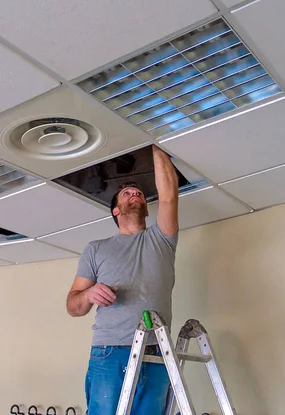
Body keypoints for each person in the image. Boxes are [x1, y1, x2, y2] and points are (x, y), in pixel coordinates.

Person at [66, 144, 180, 415]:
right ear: (116, 211)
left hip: (156, 350)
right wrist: (89, 294)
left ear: (147, 210)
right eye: (127, 193)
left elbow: (168, 197)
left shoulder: (161, 239)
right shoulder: (96, 248)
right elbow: (73, 306)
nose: (135, 194)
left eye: (139, 193)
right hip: (109, 350)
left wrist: (152, 139)